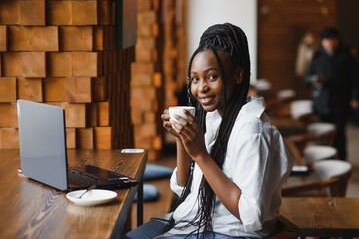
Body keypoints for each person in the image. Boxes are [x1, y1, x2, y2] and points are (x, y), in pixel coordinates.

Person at [123, 23, 294, 238]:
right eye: (195, 79)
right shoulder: (214, 117)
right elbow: (183, 187)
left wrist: (200, 155)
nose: (201, 87)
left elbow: (250, 215)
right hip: (196, 220)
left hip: (229, 232)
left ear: (238, 76)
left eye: (212, 77)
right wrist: (181, 139)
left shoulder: (252, 130)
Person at [305, 27, 359, 161]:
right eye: (327, 40)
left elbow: (355, 79)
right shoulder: (317, 56)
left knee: (339, 134)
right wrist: (314, 80)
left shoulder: (346, 56)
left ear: (338, 40)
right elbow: (307, 77)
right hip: (322, 103)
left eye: (333, 40)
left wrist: (355, 97)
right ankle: (326, 161)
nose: (330, 43)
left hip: (340, 101)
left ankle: (341, 162)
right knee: (323, 134)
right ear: (322, 42)